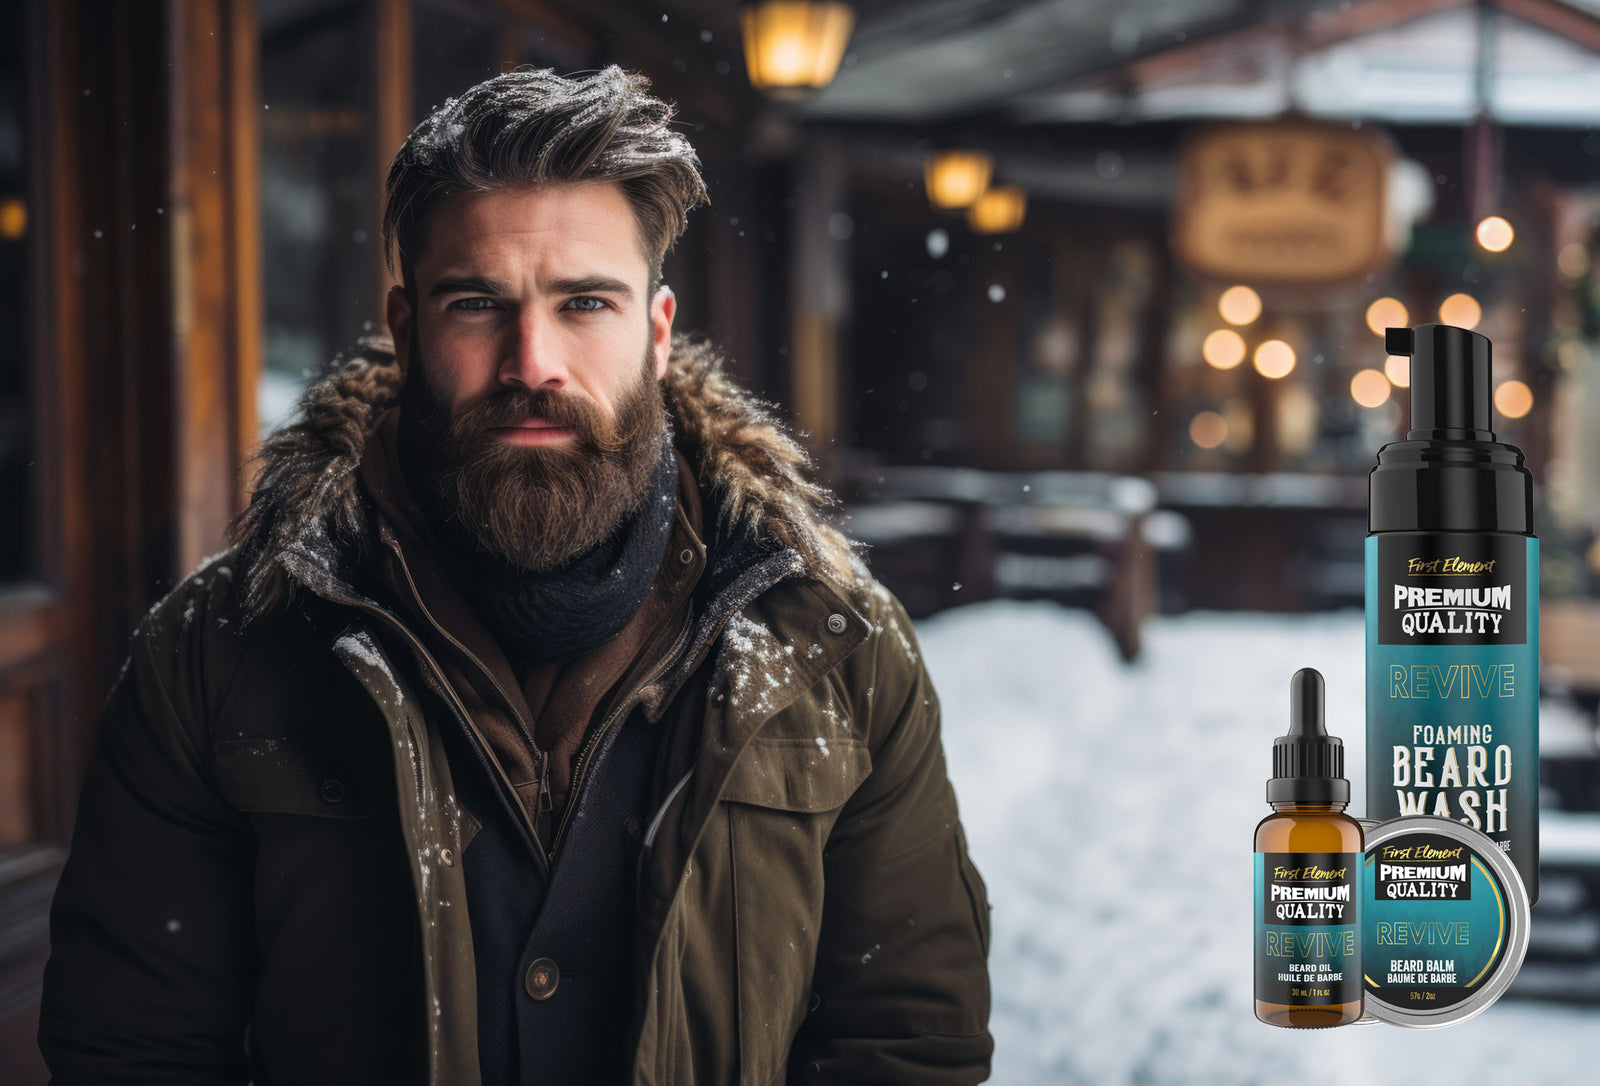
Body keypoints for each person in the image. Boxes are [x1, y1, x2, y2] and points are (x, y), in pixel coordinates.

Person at [38, 65, 992, 1085]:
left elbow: (904, 1043)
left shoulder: (835, 649)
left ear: (657, 335)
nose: (531, 361)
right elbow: (136, 1049)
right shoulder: (220, 647)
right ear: (407, 332)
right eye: (477, 303)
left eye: (584, 303)